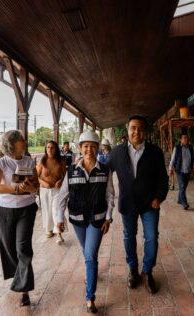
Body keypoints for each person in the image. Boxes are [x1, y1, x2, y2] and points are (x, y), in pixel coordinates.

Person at [106, 115, 168, 294]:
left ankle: (148, 271)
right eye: (133, 127)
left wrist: (159, 197)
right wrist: (82, 163)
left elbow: (162, 179)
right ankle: (133, 270)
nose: (136, 131)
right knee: (128, 237)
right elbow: (104, 169)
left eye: (140, 128)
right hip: (128, 204)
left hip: (150, 204)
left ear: (145, 131)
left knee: (151, 238)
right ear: (127, 129)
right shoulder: (117, 152)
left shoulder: (155, 152)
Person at [56, 130, 115, 313]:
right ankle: (91, 275)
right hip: (77, 220)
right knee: (86, 252)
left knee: (90, 255)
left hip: (97, 220)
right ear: (80, 149)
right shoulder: (71, 170)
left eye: (92, 146)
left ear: (98, 148)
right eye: (85, 146)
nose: (89, 149)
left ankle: (90, 297)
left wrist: (108, 217)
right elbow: (62, 197)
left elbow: (110, 195)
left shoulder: (105, 170)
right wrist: (59, 218)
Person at [0, 130, 40, 306]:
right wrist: (16, 189)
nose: (24, 141)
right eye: (21, 139)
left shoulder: (28, 160)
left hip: (26, 209)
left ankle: (24, 290)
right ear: (12, 143)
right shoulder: (1, 162)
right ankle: (18, 276)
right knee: (9, 247)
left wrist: (30, 186)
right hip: (6, 209)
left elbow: (37, 184)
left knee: (23, 248)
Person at [36, 140, 67, 244]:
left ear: (56, 149)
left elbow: (65, 175)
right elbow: (35, 176)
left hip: (57, 190)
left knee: (56, 210)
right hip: (44, 190)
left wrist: (60, 181)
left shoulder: (60, 161)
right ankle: (48, 229)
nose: (49, 149)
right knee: (46, 210)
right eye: (48, 147)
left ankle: (59, 233)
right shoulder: (42, 161)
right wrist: (43, 183)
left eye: (52, 147)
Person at [168, 133, 194, 210]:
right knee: (182, 186)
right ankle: (184, 203)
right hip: (179, 170)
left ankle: (179, 199)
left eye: (187, 138)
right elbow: (172, 159)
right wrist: (170, 169)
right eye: (184, 138)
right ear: (180, 140)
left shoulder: (191, 148)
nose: (186, 139)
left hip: (188, 170)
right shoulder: (177, 148)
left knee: (184, 187)